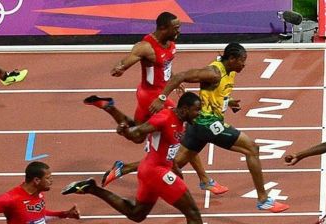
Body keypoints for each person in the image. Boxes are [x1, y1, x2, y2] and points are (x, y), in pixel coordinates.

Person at [65, 92, 236, 224]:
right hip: (156, 172)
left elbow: (169, 149)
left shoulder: (181, 120)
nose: (199, 114)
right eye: (196, 110)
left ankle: (93, 188)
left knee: (136, 214)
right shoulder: (164, 118)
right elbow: (138, 133)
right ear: (185, 109)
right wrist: (125, 131)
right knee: (192, 212)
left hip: (153, 170)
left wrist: (176, 167)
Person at [95, 11, 227, 195]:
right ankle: (204, 180)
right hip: (153, 98)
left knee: (138, 137)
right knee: (185, 134)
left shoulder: (171, 45)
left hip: (156, 95)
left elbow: (165, 70)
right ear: (163, 28)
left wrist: (175, 82)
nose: (179, 31)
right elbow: (130, 58)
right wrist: (121, 67)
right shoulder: (146, 47)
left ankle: (111, 110)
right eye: (176, 28)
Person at [148, 42, 289, 213]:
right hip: (208, 124)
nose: (244, 64)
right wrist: (161, 98)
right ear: (231, 59)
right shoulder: (213, 73)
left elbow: (214, 95)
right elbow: (180, 76)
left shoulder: (230, 72)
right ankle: (263, 199)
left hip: (198, 125)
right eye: (242, 61)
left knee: (173, 163)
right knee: (252, 148)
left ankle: (126, 170)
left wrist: (228, 102)